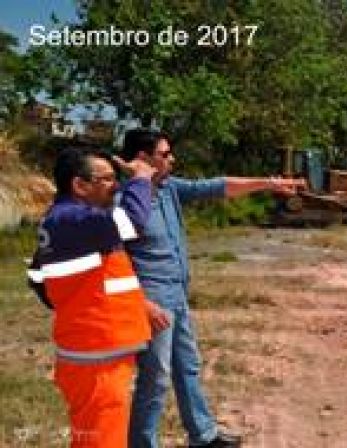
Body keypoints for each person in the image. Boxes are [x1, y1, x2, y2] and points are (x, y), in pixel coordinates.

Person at [121, 129, 304, 448]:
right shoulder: (126, 200)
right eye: (165, 154)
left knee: (187, 365)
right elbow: (114, 260)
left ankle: (203, 436)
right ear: (142, 159)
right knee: (155, 379)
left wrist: (268, 183)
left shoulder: (168, 189)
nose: (172, 159)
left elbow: (218, 186)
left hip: (176, 294)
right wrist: (140, 303)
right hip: (152, 304)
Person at [26, 147, 170, 447]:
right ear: (79, 185)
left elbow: (41, 279)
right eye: (106, 179)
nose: (115, 185)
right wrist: (142, 178)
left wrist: (133, 303)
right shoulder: (74, 219)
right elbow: (134, 221)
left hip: (96, 356)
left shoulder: (69, 223)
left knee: (93, 438)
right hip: (96, 361)